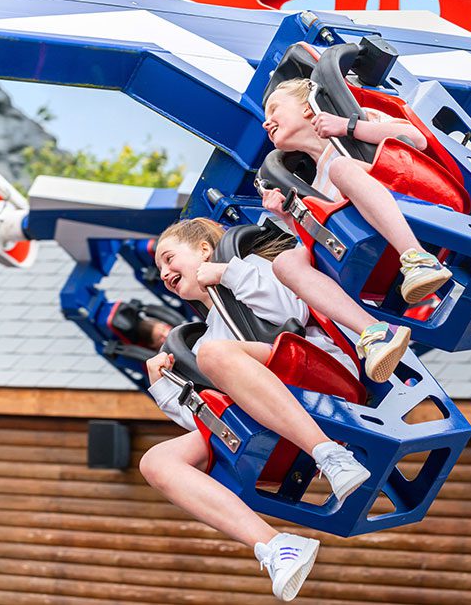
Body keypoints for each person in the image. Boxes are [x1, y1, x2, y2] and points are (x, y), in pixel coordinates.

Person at [140, 218, 370, 602]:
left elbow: (291, 309)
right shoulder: (209, 336)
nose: (163, 273)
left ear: (202, 250)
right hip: (268, 419)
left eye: (168, 258)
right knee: (155, 462)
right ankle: (275, 545)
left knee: (216, 356)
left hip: (317, 375)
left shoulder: (249, 267)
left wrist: (229, 273)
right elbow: (211, 419)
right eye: (159, 269)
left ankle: (329, 453)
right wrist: (163, 388)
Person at [259, 77, 452, 382]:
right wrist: (286, 217)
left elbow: (417, 139)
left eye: (274, 109)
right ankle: (375, 332)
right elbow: (321, 246)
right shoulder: (313, 187)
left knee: (341, 169)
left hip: (421, 203)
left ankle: (417, 257)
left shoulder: (356, 122)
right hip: (373, 256)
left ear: (308, 108)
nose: (266, 122)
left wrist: (348, 127)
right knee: (286, 261)